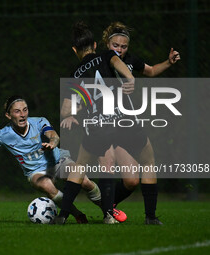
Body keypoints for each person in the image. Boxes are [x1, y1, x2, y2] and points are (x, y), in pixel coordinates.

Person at [0, 95, 104, 224]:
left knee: (85, 181)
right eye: (17, 111)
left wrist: (52, 143)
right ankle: (77, 214)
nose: (22, 114)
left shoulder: (39, 122)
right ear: (8, 115)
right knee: (46, 184)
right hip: (35, 172)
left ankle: (108, 209)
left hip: (57, 161)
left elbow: (54, 135)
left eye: (25, 110)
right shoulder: (3, 134)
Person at [101, 21, 181, 225]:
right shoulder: (100, 61)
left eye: (124, 46)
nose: (119, 49)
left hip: (127, 121)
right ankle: (148, 216)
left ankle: (113, 208)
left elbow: (151, 70)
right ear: (107, 44)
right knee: (109, 167)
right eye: (115, 45)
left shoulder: (130, 60)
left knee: (131, 180)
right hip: (104, 123)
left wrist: (168, 62)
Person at [55, 21, 134, 224]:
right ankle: (108, 214)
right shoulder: (107, 56)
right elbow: (122, 69)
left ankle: (63, 215)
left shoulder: (76, 74)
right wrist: (129, 80)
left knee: (80, 165)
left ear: (75, 49)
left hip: (95, 124)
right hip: (116, 120)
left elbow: (65, 110)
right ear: (96, 45)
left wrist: (78, 107)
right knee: (109, 166)